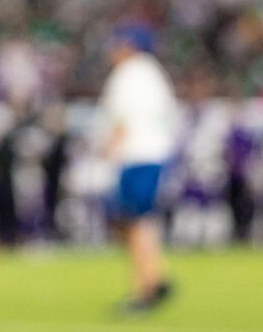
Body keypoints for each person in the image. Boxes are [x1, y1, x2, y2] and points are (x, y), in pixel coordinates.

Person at [95, 24, 178, 314]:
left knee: (133, 220)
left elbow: (122, 119)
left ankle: (145, 288)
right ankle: (156, 276)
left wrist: (106, 150)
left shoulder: (129, 74)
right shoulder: (152, 72)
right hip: (153, 153)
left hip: (137, 155)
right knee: (137, 220)